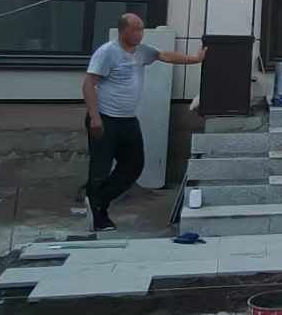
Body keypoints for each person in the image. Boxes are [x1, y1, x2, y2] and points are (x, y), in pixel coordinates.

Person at [82, 13, 205, 232]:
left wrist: (195, 59)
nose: (140, 34)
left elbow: (164, 55)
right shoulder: (107, 52)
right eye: (136, 30)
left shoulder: (142, 51)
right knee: (100, 168)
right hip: (105, 118)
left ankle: (98, 199)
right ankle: (99, 215)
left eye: (141, 29)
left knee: (134, 166)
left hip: (128, 120)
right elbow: (88, 84)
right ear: (123, 31)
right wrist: (94, 117)